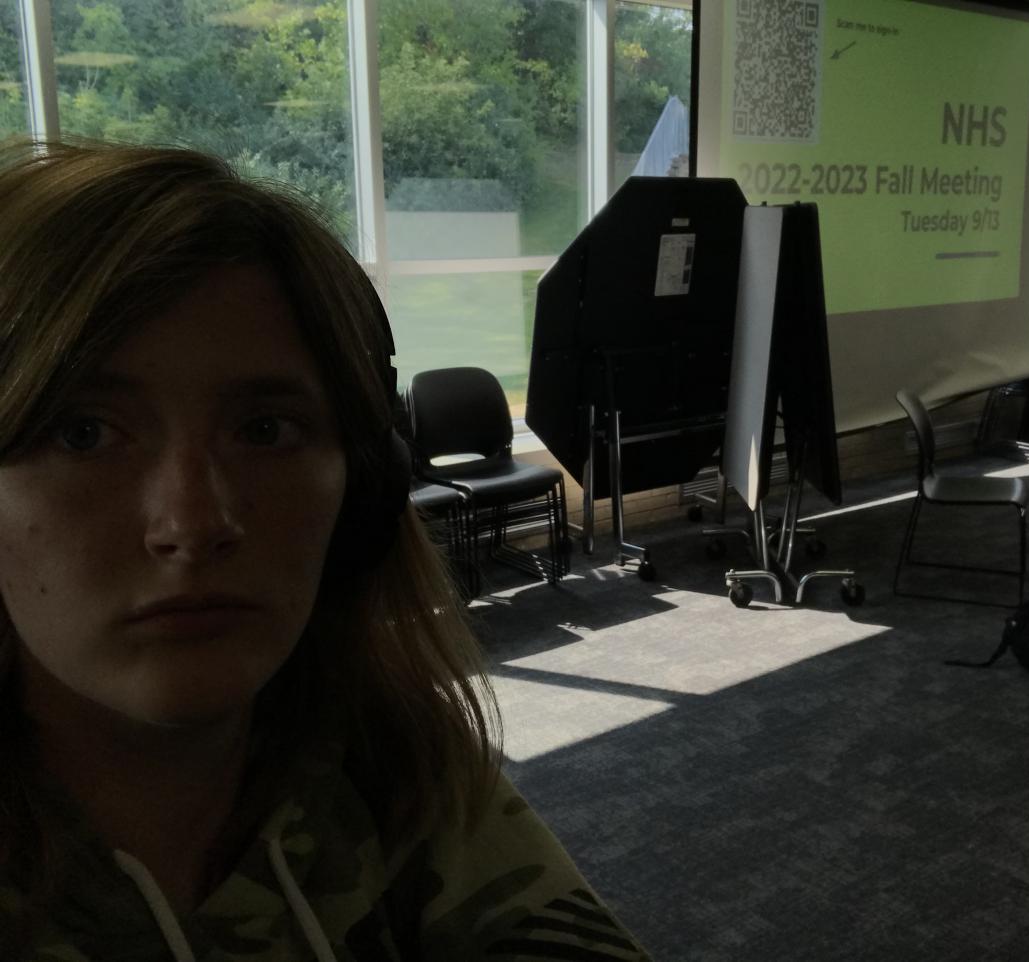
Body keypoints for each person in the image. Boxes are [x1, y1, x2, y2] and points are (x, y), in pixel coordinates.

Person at [0, 141, 648, 961]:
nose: (192, 524)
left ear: (363, 488)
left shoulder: (391, 767)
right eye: (83, 434)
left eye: (265, 430)